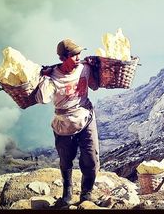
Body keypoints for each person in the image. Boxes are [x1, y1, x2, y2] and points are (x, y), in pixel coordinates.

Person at [34, 38, 100, 206]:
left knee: (91, 158)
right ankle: (67, 192)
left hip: (86, 118)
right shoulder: (52, 77)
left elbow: (94, 86)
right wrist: (43, 79)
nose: (78, 58)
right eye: (74, 55)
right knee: (66, 160)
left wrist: (96, 66)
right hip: (63, 124)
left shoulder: (84, 68)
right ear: (63, 58)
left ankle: (86, 194)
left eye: (79, 54)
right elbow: (42, 99)